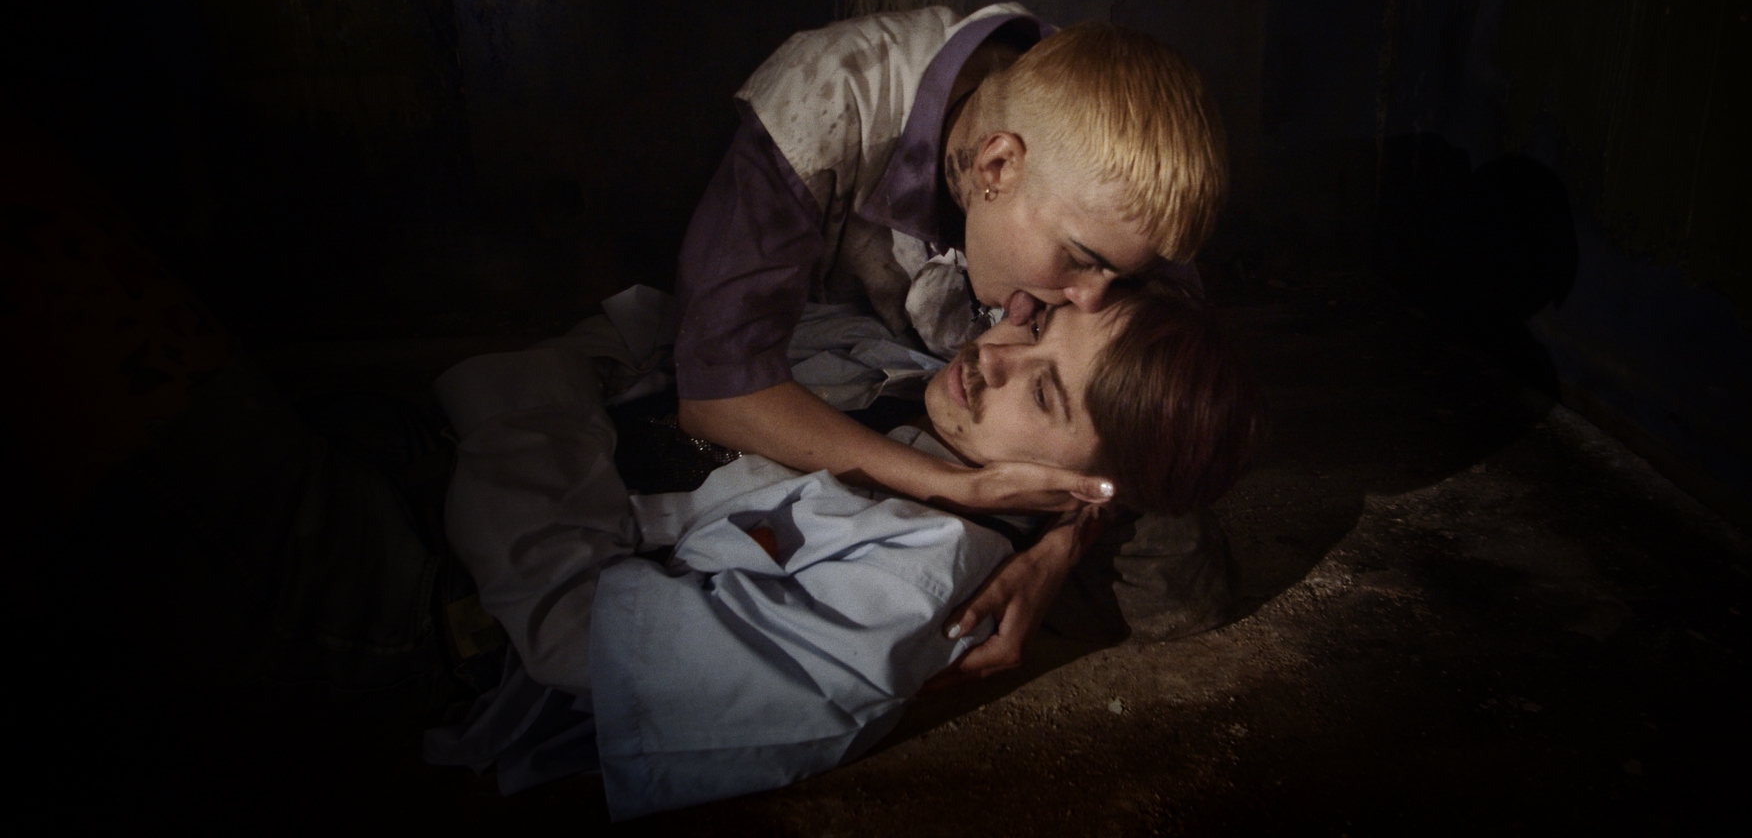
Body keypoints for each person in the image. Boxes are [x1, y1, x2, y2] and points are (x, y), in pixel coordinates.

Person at [427, 280, 1260, 818]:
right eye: (1036, 322)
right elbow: (667, 321)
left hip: (442, 588)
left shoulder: (914, 585)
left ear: (1090, 488)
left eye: (1043, 393)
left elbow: (575, 636)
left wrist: (534, 405)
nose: (996, 355)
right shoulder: (892, 359)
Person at [668, 4, 1234, 675]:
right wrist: (956, 488)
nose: (1090, 299)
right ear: (996, 165)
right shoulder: (827, 100)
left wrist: (1058, 547)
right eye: (1081, 260)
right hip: (847, 377)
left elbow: (1152, 406)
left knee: (1177, 567)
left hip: (1010, 407)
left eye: (1116, 276)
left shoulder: (1127, 180)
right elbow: (716, 395)